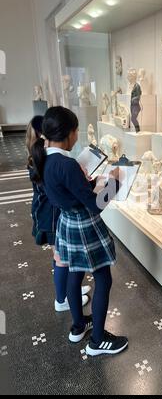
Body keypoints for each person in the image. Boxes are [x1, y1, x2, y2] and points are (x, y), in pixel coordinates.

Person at [31, 107, 128, 357]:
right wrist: (116, 181)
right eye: (76, 131)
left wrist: (88, 182)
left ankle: (78, 326)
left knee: (75, 275)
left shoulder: (45, 159)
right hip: (84, 225)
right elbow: (96, 206)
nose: (77, 136)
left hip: (66, 222)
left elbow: (69, 190)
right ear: (69, 134)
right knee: (103, 279)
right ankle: (97, 341)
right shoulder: (66, 164)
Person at [26, 116, 91, 312]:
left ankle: (70, 290)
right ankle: (62, 299)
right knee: (61, 258)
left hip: (50, 215)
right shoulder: (48, 161)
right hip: (52, 217)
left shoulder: (42, 157)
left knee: (62, 256)